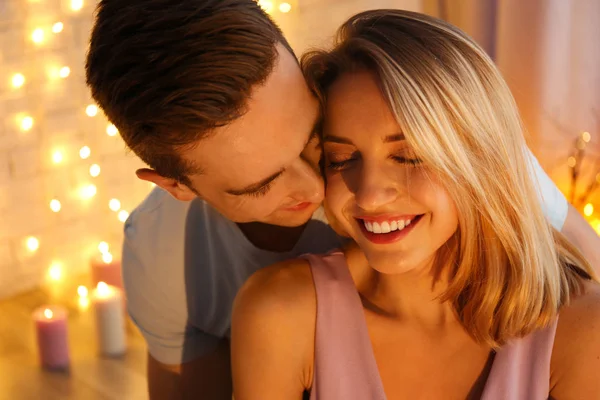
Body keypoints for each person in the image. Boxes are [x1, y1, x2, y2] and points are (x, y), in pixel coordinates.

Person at [84, 1, 600, 398]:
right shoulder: (166, 260)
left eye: (313, 139)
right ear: (177, 187)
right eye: (263, 183)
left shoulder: (455, 152)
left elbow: (584, 271)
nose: (323, 190)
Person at [231, 10, 600, 400]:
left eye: (408, 156)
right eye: (341, 159)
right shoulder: (282, 314)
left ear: (480, 157)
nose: (370, 195)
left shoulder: (580, 329)